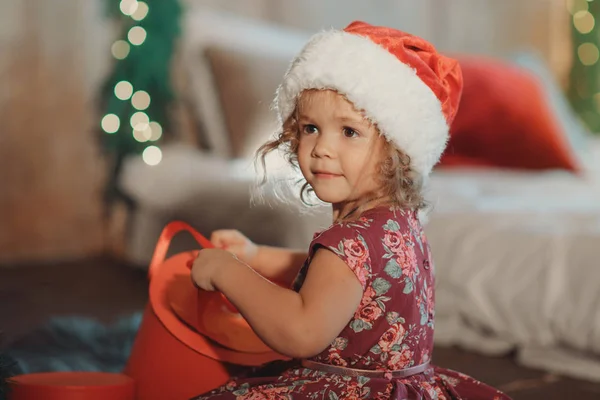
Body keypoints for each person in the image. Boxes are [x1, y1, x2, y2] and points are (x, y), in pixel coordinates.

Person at [190, 21, 510, 400]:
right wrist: (256, 257)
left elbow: (301, 330)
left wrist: (229, 272)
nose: (322, 147)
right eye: (310, 128)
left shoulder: (348, 239)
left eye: (348, 132)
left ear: (397, 150)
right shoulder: (398, 223)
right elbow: (342, 283)